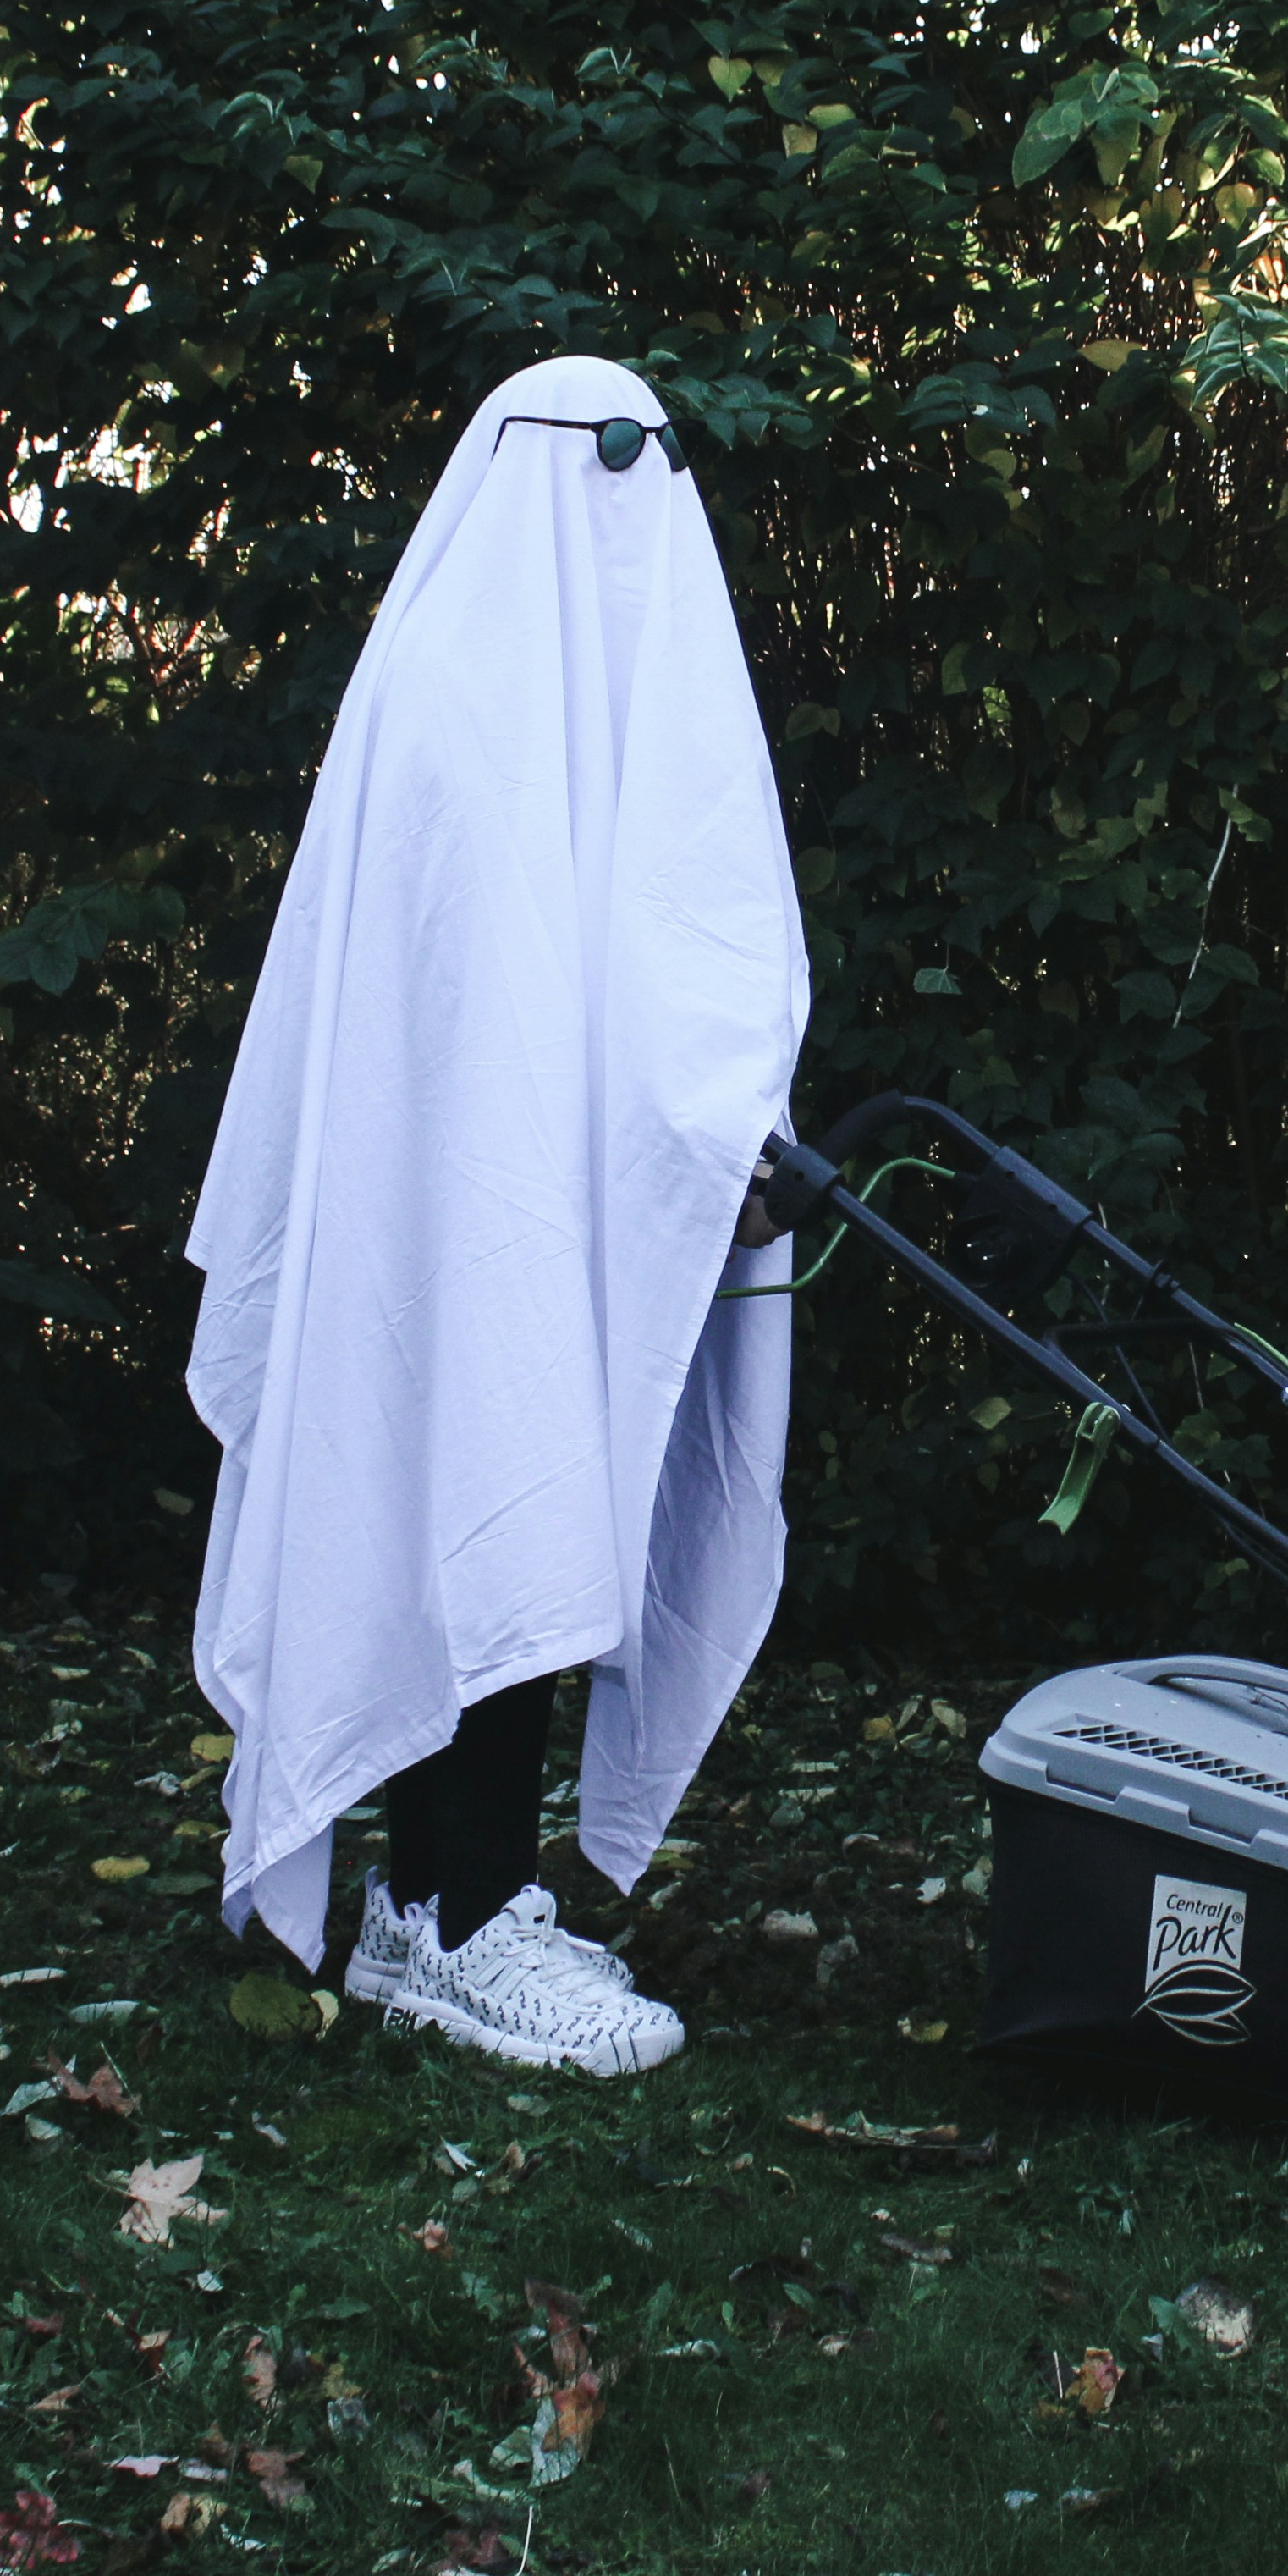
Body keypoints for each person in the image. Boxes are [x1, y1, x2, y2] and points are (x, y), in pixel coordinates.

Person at [182, 353, 809, 2072]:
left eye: (650, 465)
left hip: (572, 1226)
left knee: (532, 1502)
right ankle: (446, 1912)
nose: (629, 505)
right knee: (457, 1486)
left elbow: (669, 972)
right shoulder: (447, 703)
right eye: (599, 464)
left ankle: (442, 1900)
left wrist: (713, 1146)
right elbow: (451, 1018)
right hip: (447, 1232)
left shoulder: (635, 719)